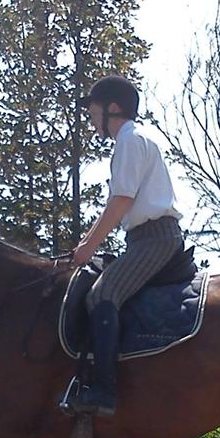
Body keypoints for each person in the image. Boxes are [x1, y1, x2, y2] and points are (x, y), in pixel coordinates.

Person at [67, 74, 185, 417]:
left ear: (113, 109)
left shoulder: (129, 140)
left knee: (103, 294)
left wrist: (88, 246)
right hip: (142, 239)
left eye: (94, 113)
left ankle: (104, 390)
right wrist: (87, 242)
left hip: (155, 239)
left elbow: (121, 200)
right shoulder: (133, 140)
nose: (92, 121)